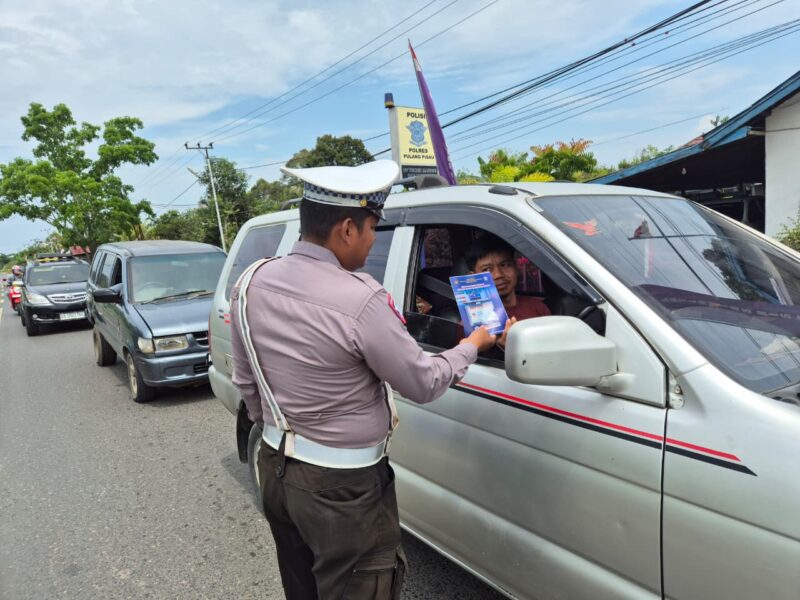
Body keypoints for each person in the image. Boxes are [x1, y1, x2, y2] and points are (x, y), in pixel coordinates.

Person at [229, 159, 496, 600]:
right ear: (347, 230)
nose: (373, 242)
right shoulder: (360, 298)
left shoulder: (253, 280)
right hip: (342, 488)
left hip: (276, 469)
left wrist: (283, 432)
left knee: (303, 588)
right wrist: (473, 345)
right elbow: (423, 382)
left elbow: (246, 381)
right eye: (372, 229)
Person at [465, 234, 551, 347]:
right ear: (473, 277)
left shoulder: (538, 309)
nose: (498, 275)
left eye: (505, 265)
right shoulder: (471, 321)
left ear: (515, 268)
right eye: (487, 269)